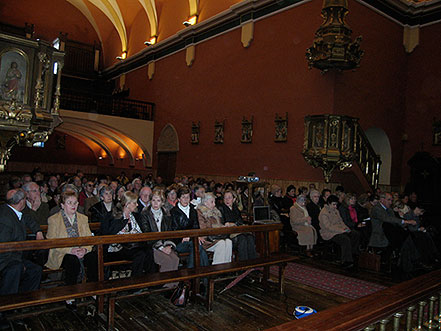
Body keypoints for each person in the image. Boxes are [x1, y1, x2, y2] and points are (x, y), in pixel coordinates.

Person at [45, 191, 97, 307]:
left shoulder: (83, 218)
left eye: (75, 203)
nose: (73, 205)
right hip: (62, 252)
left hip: (81, 250)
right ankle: (70, 294)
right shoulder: (53, 219)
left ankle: (92, 288)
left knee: (93, 257)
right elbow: (52, 242)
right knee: (72, 260)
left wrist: (85, 249)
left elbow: (89, 239)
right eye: (69, 203)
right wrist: (70, 250)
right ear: (62, 205)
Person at [100, 191, 156, 277]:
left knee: (148, 250)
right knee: (140, 254)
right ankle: (135, 283)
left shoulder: (135, 216)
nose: (137, 205)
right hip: (117, 248)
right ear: (127, 204)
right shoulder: (113, 216)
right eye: (134, 203)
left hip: (133, 246)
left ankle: (151, 280)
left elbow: (142, 232)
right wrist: (123, 224)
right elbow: (107, 233)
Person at [0, 189, 43, 295]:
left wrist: (38, 231)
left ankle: (26, 299)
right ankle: (7, 304)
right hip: (5, 260)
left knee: (36, 270)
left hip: (14, 257)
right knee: (16, 269)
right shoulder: (5, 219)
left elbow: (28, 219)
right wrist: (18, 263)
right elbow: (4, 248)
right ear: (22, 201)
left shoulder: (13, 211)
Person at [141, 190, 179, 279]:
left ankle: (173, 286)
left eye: (158, 201)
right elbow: (147, 234)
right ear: (150, 201)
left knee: (175, 259)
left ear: (162, 202)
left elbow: (169, 233)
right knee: (167, 261)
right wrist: (161, 247)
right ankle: (164, 286)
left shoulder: (167, 214)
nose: (155, 203)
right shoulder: (145, 214)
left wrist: (169, 246)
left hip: (165, 244)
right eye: (153, 200)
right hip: (151, 246)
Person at [170, 187, 209, 268]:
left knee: (198, 248)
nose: (185, 200)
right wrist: (187, 237)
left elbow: (196, 226)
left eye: (187, 197)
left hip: (192, 240)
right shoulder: (173, 211)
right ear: (178, 199)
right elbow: (175, 229)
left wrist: (197, 236)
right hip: (179, 241)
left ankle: (194, 273)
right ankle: (203, 275)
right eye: (183, 197)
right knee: (197, 247)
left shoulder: (193, 210)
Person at [319, 195, 360, 269]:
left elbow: (341, 222)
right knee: (345, 239)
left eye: (336, 204)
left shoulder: (336, 211)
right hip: (329, 233)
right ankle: (346, 261)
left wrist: (346, 228)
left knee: (355, 234)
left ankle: (352, 253)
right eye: (333, 204)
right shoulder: (323, 213)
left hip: (338, 230)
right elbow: (328, 227)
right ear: (328, 203)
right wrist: (341, 230)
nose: (335, 206)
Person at [217, 190, 256, 261]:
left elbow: (240, 221)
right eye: (225, 198)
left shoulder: (236, 208)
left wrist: (234, 224)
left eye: (229, 197)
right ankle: (243, 265)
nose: (227, 200)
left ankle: (252, 263)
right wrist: (231, 224)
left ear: (234, 199)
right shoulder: (221, 208)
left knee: (250, 237)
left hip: (237, 231)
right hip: (228, 234)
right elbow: (223, 223)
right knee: (242, 239)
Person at [197, 193, 233, 265]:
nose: (214, 204)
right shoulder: (200, 212)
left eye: (214, 202)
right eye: (212, 202)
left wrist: (223, 226)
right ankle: (217, 268)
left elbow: (221, 224)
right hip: (207, 239)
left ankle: (227, 267)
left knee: (229, 242)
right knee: (221, 243)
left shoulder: (216, 211)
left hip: (218, 236)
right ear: (205, 202)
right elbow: (203, 228)